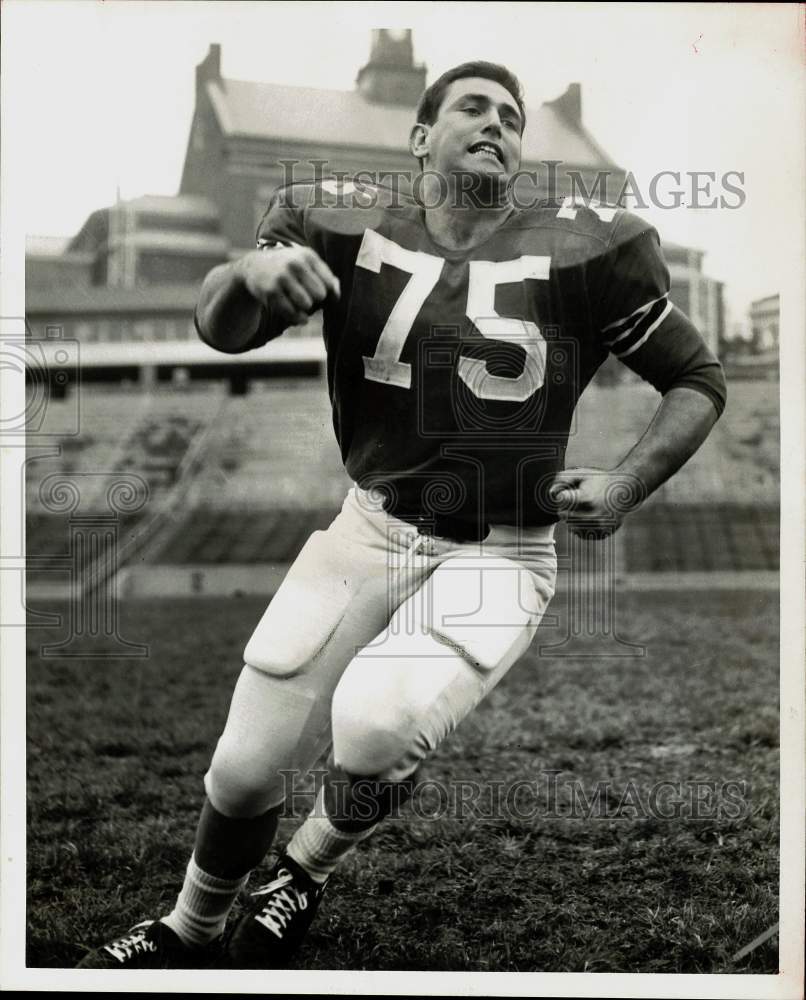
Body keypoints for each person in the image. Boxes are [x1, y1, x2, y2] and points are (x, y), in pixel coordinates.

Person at [78, 60, 726, 969]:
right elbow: (219, 329)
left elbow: (697, 380)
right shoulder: (337, 220)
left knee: (378, 725)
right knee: (243, 765)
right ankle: (190, 926)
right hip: (368, 527)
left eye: (512, 115)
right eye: (473, 107)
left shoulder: (587, 246)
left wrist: (625, 484)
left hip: (503, 548)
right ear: (421, 137)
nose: (497, 122)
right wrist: (248, 272)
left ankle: (303, 871)